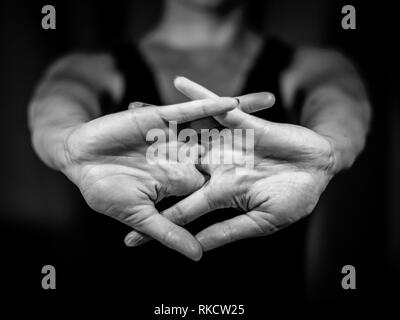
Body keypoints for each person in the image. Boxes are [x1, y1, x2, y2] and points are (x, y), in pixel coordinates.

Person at [28, 0, 370, 299]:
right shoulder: (89, 69)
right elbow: (56, 107)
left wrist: (328, 151)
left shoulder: (314, 66)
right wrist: (68, 145)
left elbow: (342, 109)